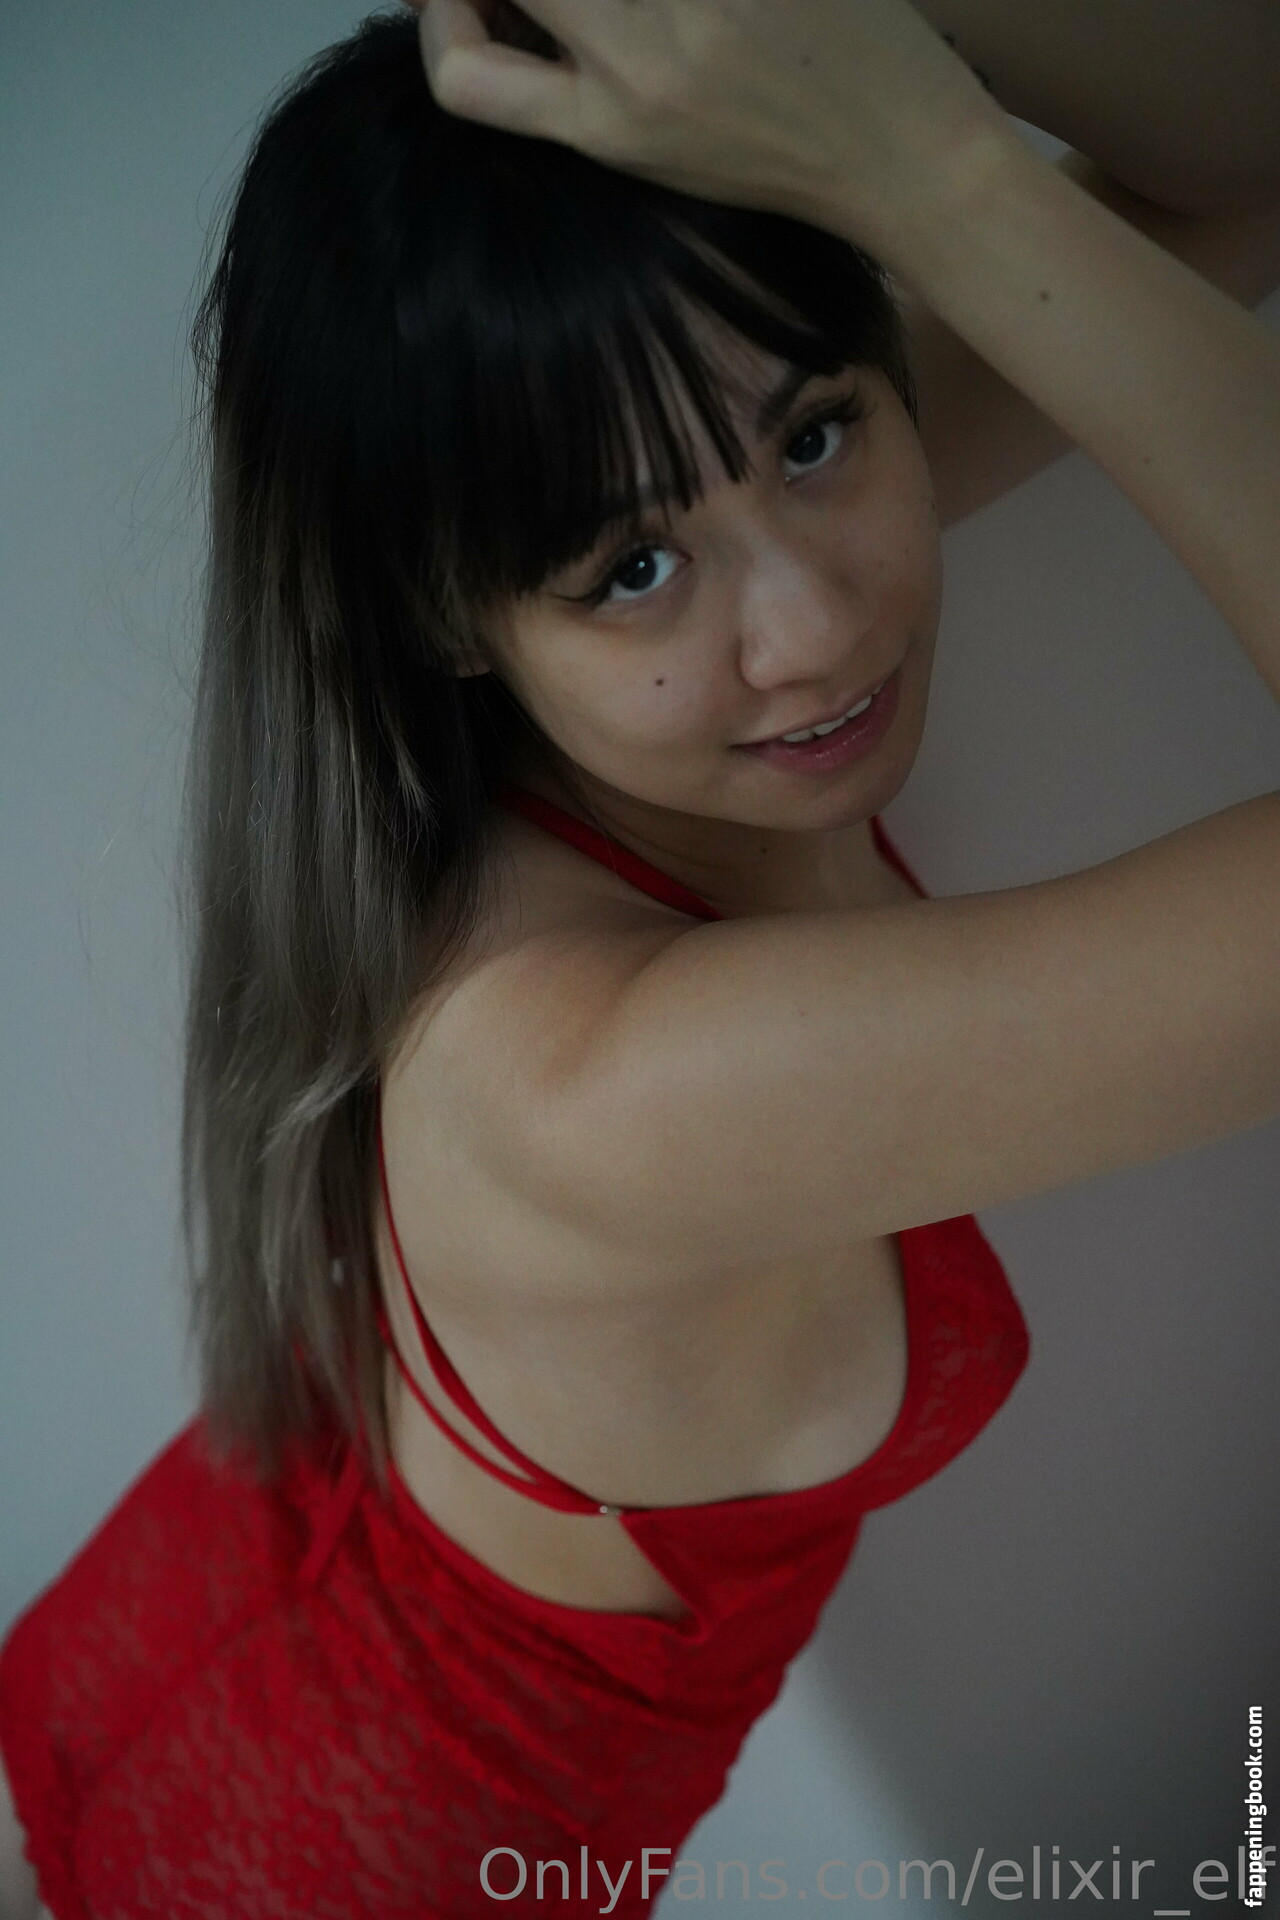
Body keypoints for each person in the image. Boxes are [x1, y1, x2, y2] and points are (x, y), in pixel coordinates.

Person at [2, 2, 1279, 1914]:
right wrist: (934, 174)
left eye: (819, 433)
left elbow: (1241, 167)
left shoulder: (583, 676)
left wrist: (847, 58)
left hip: (163, 1629)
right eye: (635, 569)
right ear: (449, 612)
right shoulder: (617, 1088)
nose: (815, 624)